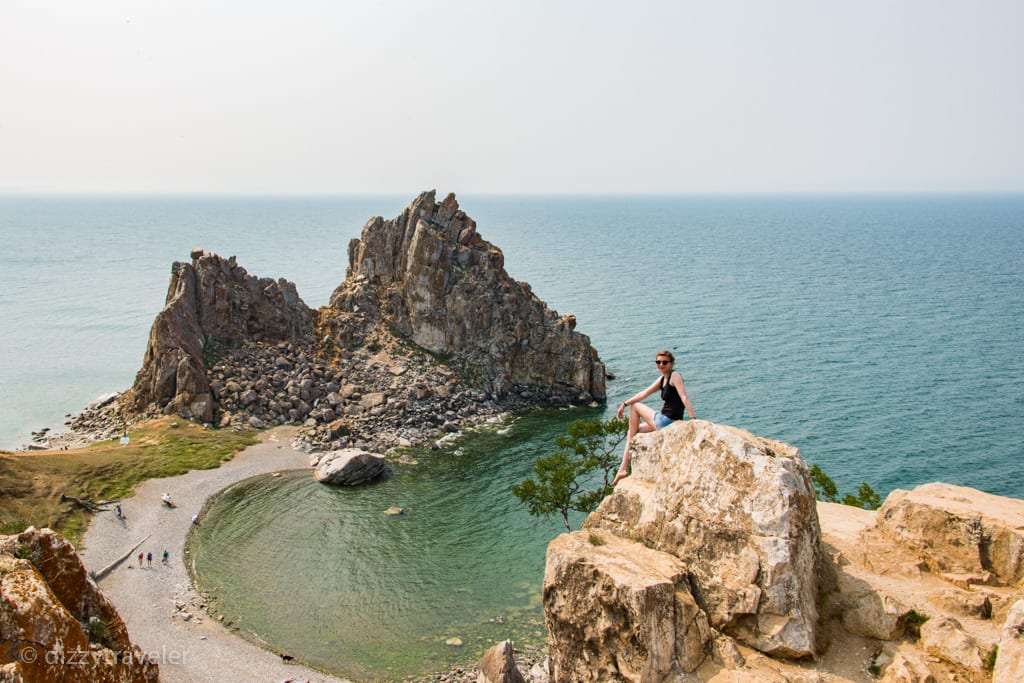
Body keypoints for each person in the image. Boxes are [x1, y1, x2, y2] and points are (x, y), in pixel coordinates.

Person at [612, 350, 696, 486]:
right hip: (664, 421)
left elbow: (684, 397)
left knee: (635, 407)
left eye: (664, 362)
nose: (661, 365)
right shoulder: (663, 379)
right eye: (658, 362)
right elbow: (644, 393)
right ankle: (623, 469)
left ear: (671, 363)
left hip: (666, 422)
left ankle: (623, 468)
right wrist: (624, 403)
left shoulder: (675, 375)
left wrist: (693, 419)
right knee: (633, 432)